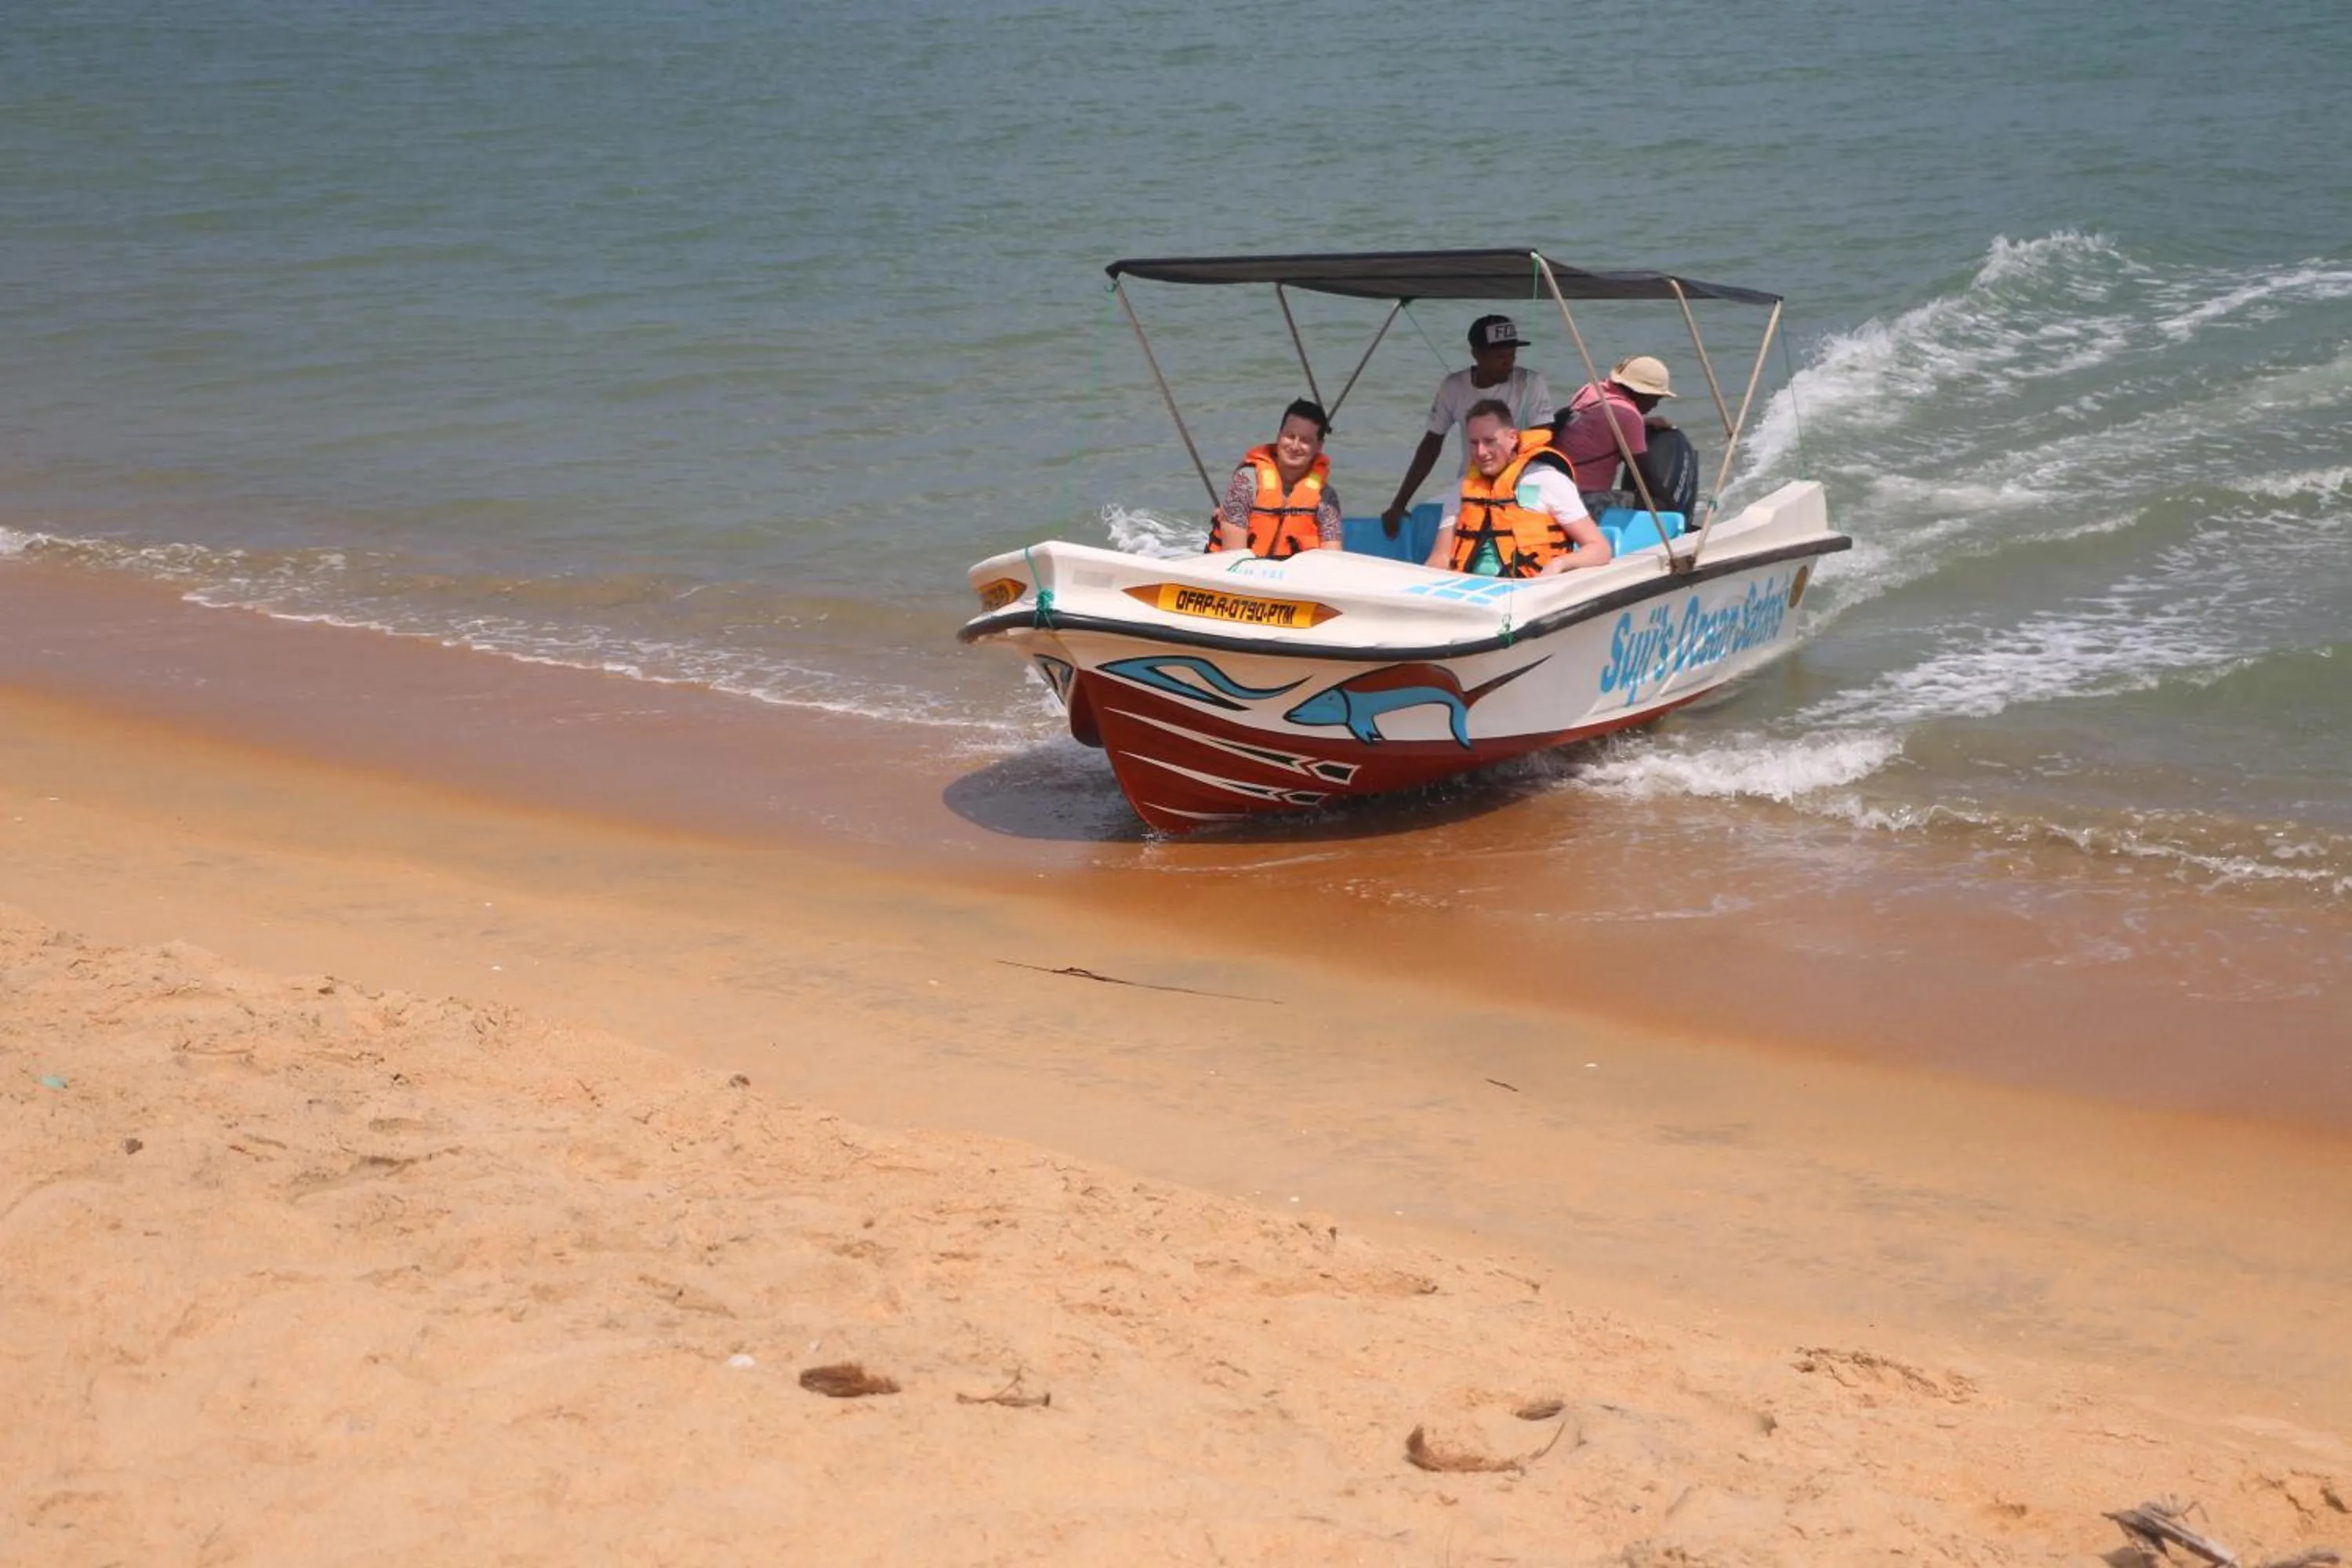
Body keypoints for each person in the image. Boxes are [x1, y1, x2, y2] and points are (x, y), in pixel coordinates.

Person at [1379, 315, 1555, 535]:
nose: (1508, 362)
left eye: (1512, 354)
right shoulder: (1453, 386)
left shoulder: (1532, 382)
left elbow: (1544, 441)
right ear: (1477, 354)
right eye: (1500, 356)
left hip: (1522, 484)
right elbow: (1431, 445)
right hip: (1472, 482)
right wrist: (1399, 504)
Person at [1425, 399, 1612, 578]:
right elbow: (1441, 556)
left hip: (1529, 590)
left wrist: (1559, 564)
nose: (1481, 452)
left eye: (1489, 441)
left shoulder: (1548, 480)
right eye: (1474, 443)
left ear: (1513, 437)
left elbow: (1600, 549)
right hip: (1472, 590)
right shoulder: (1463, 487)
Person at [1552, 355, 1695, 517]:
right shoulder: (1628, 416)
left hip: (1555, 489)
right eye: (1655, 398)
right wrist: (1675, 510)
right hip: (1581, 500)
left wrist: (1643, 423)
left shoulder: (1592, 390)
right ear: (1642, 393)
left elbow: (1598, 429)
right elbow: (1645, 477)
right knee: (1658, 505)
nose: (1655, 405)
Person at [1206, 398, 1342, 558]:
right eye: (1290, 436)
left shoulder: (1326, 498)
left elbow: (1332, 559)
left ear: (1319, 446)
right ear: (1279, 436)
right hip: (1240, 573)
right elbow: (1232, 557)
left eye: (1305, 441)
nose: (1295, 446)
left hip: (1295, 579)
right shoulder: (1246, 482)